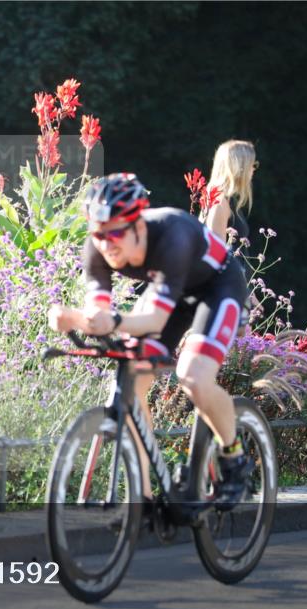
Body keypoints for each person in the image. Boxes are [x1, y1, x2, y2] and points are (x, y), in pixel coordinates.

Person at [47, 173, 253, 508]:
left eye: (115, 232)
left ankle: (234, 457)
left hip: (215, 289)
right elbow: (99, 311)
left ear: (138, 226)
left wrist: (110, 320)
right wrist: (75, 318)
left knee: (193, 377)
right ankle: (141, 499)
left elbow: (153, 320)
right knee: (134, 377)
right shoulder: (97, 246)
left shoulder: (172, 235)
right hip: (170, 295)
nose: (106, 242)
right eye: (99, 234)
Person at [204, 139, 259, 334]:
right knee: (234, 352)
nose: (253, 170)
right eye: (252, 164)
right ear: (239, 166)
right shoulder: (220, 204)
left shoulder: (230, 202)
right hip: (225, 292)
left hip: (233, 289)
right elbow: (216, 254)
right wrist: (242, 292)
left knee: (240, 353)